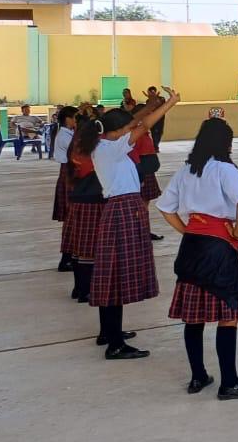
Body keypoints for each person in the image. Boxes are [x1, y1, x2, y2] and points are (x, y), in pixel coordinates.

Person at [156, 118, 238, 399]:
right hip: (219, 249)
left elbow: (165, 208)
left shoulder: (186, 170)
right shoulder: (225, 169)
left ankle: (198, 376)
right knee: (228, 315)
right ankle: (229, 382)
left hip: (192, 246)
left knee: (194, 317)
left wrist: (188, 231)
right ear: (225, 143)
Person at [77, 87, 181, 359]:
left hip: (121, 209)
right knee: (116, 276)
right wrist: (170, 103)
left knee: (114, 275)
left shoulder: (106, 144)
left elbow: (137, 119)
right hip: (123, 209)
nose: (131, 128)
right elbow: (144, 123)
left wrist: (151, 104)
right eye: (127, 126)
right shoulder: (110, 148)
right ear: (118, 130)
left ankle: (109, 333)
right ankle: (114, 344)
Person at [63, 126, 104, 303]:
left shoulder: (76, 149)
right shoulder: (90, 155)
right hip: (91, 202)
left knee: (78, 248)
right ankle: (85, 290)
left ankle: (78, 287)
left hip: (78, 202)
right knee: (88, 250)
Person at [51, 106, 79, 272]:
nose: (76, 121)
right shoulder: (65, 136)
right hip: (69, 174)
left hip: (70, 174)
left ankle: (70, 256)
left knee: (72, 219)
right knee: (71, 219)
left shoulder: (69, 134)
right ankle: (66, 258)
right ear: (68, 119)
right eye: (75, 118)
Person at [130, 105, 163, 241]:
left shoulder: (144, 131)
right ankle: (139, 232)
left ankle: (143, 230)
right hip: (140, 171)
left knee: (144, 204)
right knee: (139, 204)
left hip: (146, 170)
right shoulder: (135, 132)